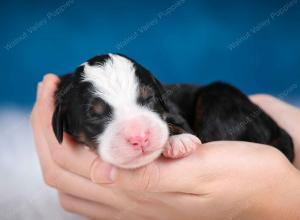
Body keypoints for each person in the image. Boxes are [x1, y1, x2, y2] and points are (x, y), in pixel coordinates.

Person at [31, 74, 300, 220]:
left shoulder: (173, 109)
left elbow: (171, 117)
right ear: (62, 124)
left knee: (217, 97)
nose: (138, 135)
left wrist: (284, 200)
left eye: (146, 102)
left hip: (226, 108)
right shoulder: (69, 104)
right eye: (98, 114)